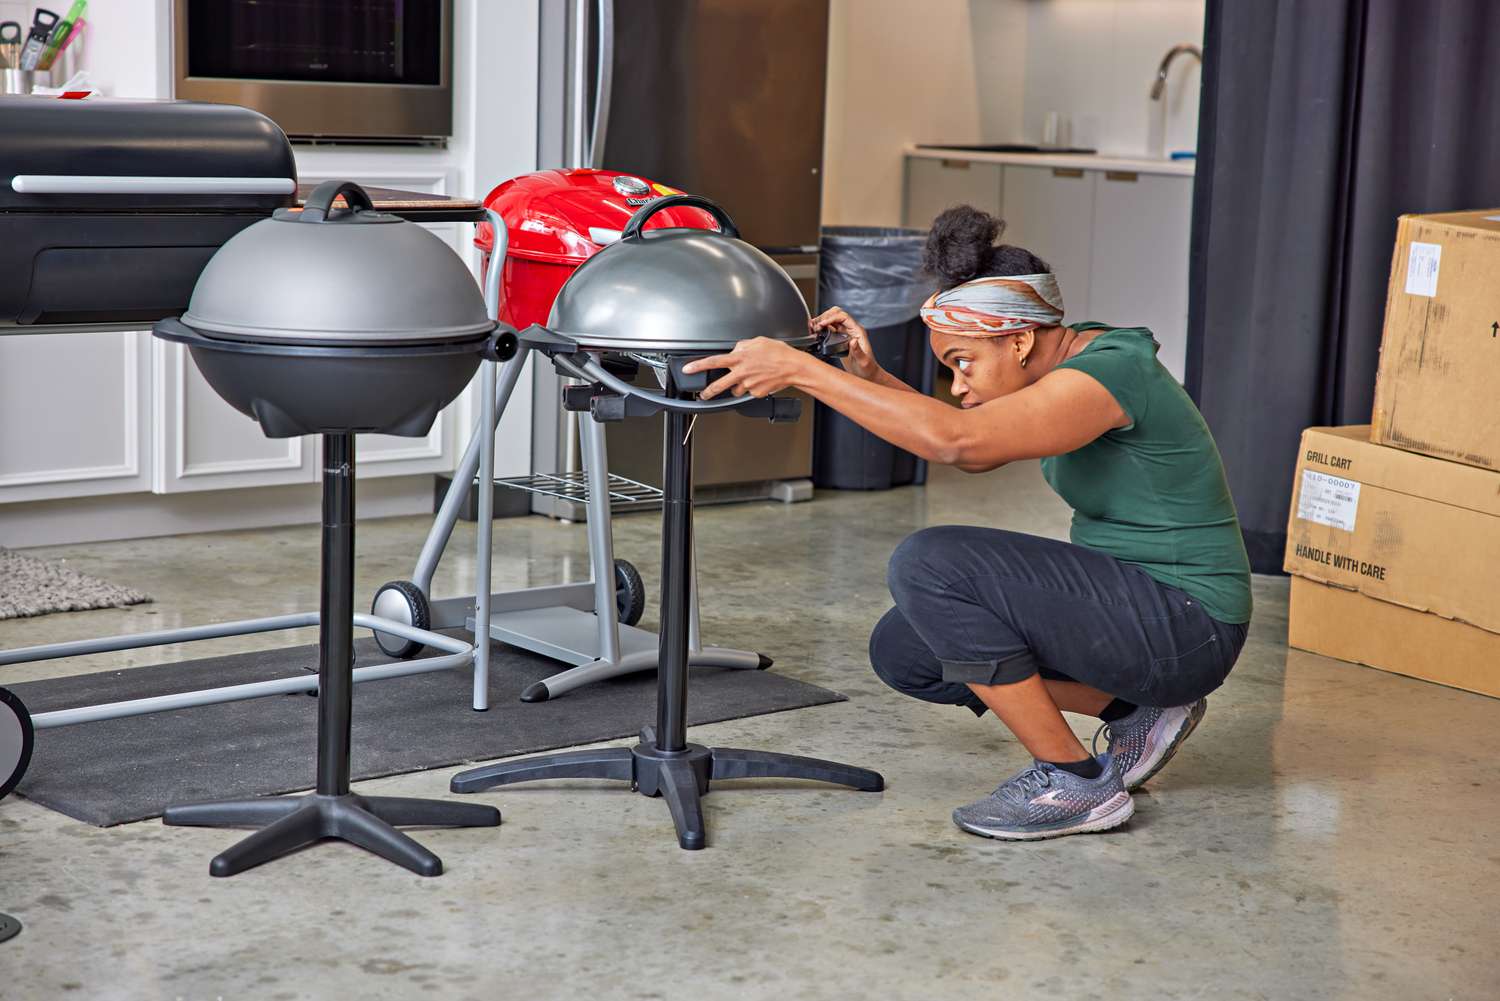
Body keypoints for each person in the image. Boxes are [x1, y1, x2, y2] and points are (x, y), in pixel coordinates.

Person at [681, 205, 1252, 841]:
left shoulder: (1109, 373)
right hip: (1133, 609)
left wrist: (804, 374)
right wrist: (868, 377)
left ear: (1019, 341)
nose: (957, 385)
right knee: (907, 648)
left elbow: (962, 446)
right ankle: (1140, 709)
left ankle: (1075, 782)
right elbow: (970, 440)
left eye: (963, 362)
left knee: (930, 561)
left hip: (1186, 622)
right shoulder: (1069, 363)